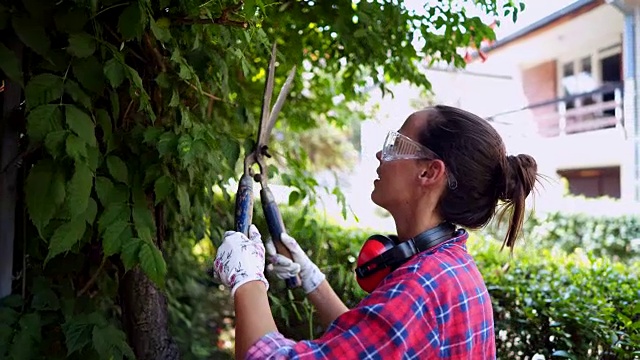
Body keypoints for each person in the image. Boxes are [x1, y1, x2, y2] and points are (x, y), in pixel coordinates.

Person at [213, 105, 538, 359]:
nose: (382, 154)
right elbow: (373, 345)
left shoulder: (420, 289)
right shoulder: (449, 266)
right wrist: (313, 280)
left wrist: (247, 280)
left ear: (429, 171)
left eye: (397, 144)